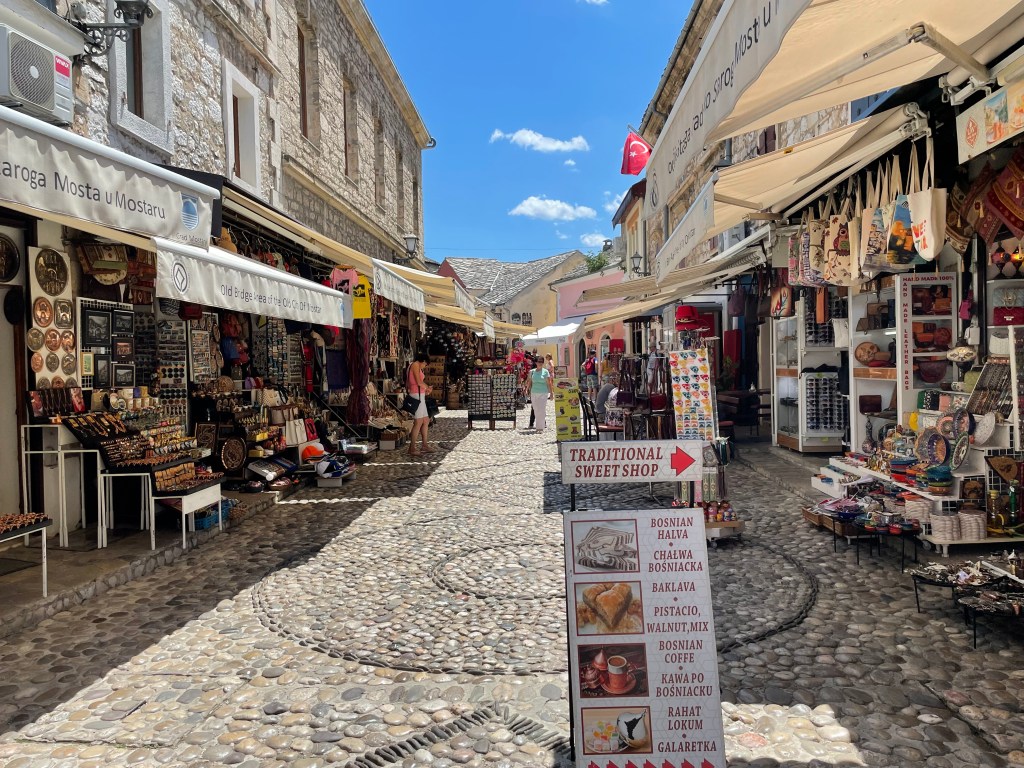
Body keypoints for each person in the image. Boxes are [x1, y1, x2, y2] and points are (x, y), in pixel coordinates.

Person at [406, 351, 433, 456]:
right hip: (416, 395)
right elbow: (418, 382)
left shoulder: (415, 366)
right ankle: (412, 448)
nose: (425, 367)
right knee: (418, 421)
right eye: (425, 364)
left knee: (425, 420)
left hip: (419, 395)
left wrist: (425, 390)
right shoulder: (415, 365)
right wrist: (427, 387)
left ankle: (424, 445)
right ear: (424, 361)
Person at [529, 354, 554, 431]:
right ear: (536, 362)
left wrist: (551, 393)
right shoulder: (532, 372)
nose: (540, 363)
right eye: (538, 361)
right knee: (536, 409)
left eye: (541, 362)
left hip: (543, 393)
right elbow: (530, 382)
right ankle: (540, 425)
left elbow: (549, 383)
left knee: (541, 409)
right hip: (534, 392)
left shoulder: (545, 372)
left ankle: (540, 427)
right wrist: (528, 391)